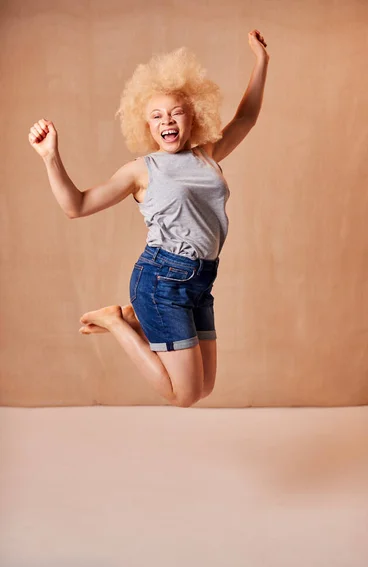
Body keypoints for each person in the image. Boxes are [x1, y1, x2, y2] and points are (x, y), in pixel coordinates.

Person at [28, 30, 269, 408]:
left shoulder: (208, 155)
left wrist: (261, 61)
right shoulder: (142, 170)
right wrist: (50, 157)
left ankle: (131, 317)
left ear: (194, 116)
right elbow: (75, 206)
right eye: (156, 116)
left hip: (201, 280)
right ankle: (117, 320)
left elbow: (248, 116)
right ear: (146, 125)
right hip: (162, 280)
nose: (166, 121)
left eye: (176, 112)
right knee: (184, 394)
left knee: (205, 387)